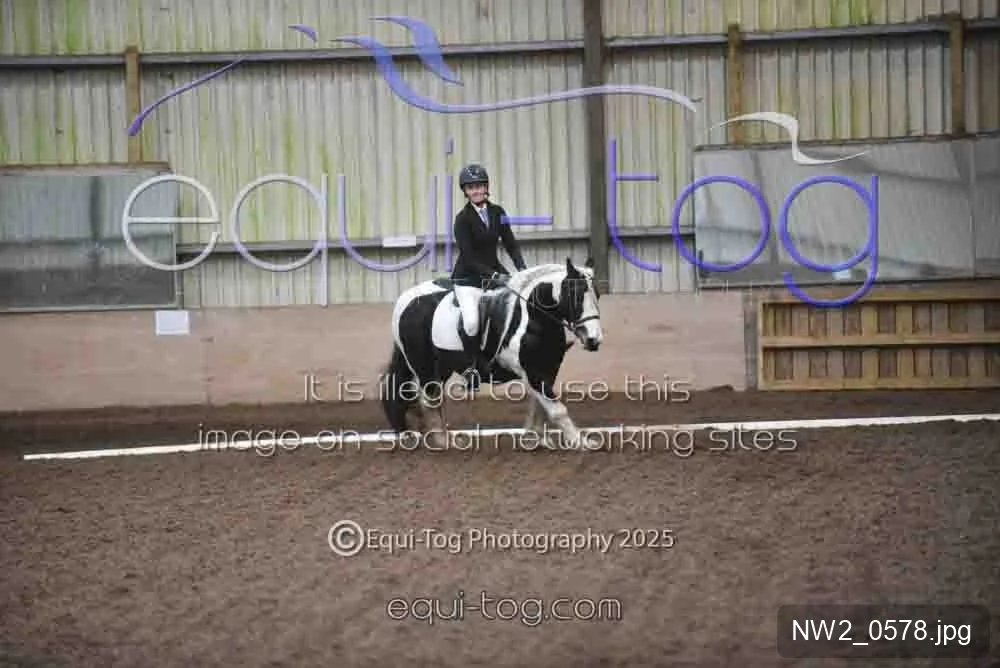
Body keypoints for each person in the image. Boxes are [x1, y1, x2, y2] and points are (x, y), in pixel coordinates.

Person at [451, 162, 527, 390]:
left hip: (495, 273)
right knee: (472, 323)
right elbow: (469, 256)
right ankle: (472, 368)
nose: (475, 191)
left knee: (519, 305)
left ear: (486, 187)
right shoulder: (462, 219)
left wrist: (522, 270)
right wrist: (494, 275)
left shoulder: (498, 212)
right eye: (471, 188)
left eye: (479, 186)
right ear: (465, 192)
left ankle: (512, 357)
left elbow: (510, 244)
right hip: (468, 278)